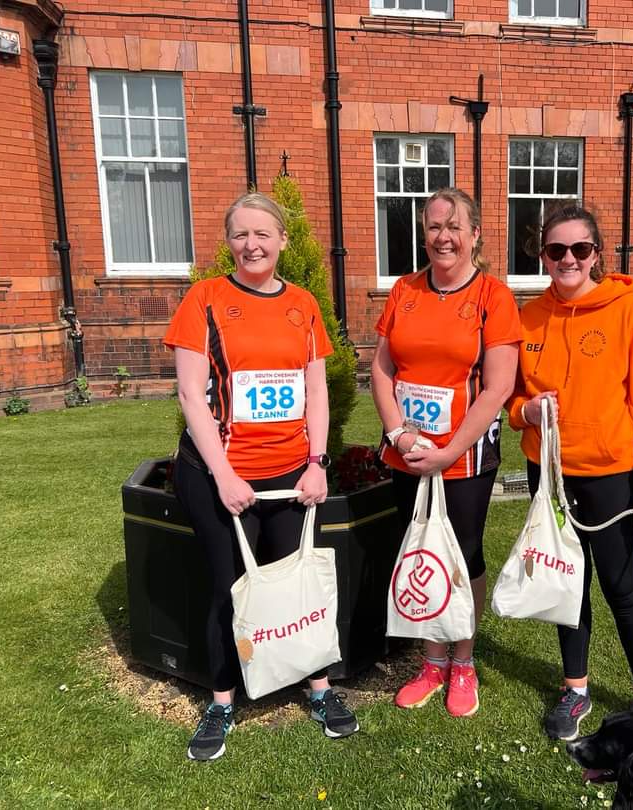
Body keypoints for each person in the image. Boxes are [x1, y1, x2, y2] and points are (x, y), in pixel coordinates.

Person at [165, 192, 358, 761]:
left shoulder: (302, 304)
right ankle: (222, 701)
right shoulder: (205, 299)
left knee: (299, 586)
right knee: (232, 589)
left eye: (262, 234)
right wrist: (223, 475)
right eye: (240, 235)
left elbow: (316, 387)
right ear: (228, 242)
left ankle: (319, 689)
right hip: (219, 475)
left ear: (282, 241)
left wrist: (318, 462)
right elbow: (190, 396)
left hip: (291, 476)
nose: (251, 245)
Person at [506, 204, 633, 741]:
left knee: (622, 587)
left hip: (612, 475)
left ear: (596, 253)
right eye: (556, 251)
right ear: (543, 257)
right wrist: (525, 413)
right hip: (549, 474)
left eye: (580, 249)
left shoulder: (628, 311)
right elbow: (511, 397)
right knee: (566, 587)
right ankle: (575, 689)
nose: (568, 260)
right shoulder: (528, 317)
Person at [372, 187, 521, 718]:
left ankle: (464, 660)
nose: (443, 237)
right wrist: (399, 435)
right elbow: (383, 369)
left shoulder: (493, 298)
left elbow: (498, 388)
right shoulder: (404, 290)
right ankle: (432, 661)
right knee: (417, 551)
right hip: (406, 453)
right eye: (434, 226)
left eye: (454, 226)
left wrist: (449, 451)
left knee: (463, 555)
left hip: (466, 458)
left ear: (475, 234)